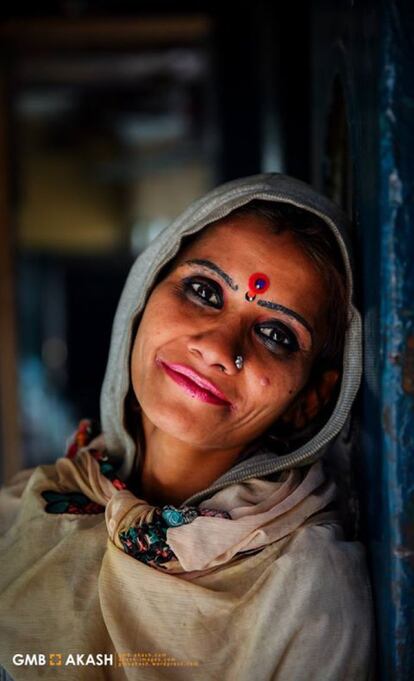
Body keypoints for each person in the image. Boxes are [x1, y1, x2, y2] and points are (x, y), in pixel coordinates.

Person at [0, 173, 374, 680]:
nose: (219, 348)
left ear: (310, 400)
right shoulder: (31, 506)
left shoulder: (307, 596)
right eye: (203, 290)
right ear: (144, 295)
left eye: (275, 334)